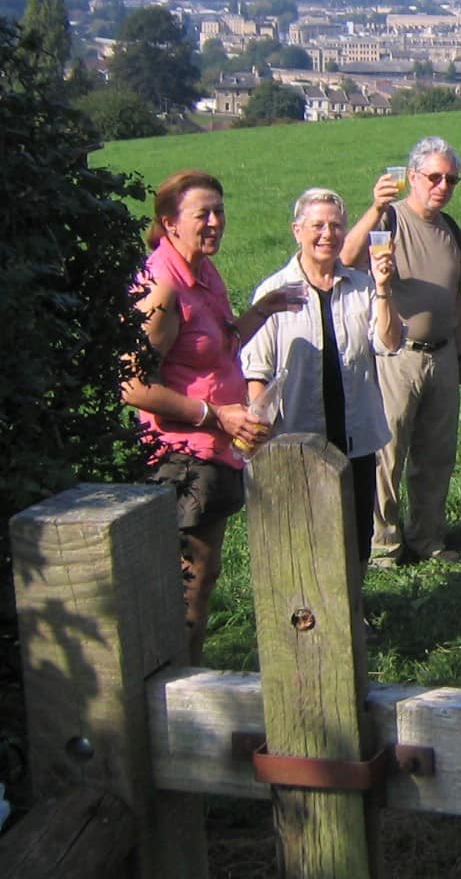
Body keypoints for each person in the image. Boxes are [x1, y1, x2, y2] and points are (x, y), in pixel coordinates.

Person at [120, 170, 300, 661]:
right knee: (189, 582)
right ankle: (176, 684)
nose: (216, 222)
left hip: (212, 452)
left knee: (204, 574)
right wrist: (216, 415)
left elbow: (212, 347)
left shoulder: (202, 272)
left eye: (220, 211)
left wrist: (262, 311)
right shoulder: (164, 288)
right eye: (204, 214)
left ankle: (185, 673)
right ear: (170, 223)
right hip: (181, 457)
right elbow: (133, 386)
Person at [242, 188, 402, 568]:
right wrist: (259, 434)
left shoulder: (362, 288)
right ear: (297, 230)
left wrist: (383, 289)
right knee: (308, 534)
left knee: (357, 537)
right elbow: (256, 369)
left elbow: (389, 342)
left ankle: (355, 615)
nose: (327, 234)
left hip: (356, 435)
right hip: (298, 437)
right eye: (317, 226)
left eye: (335, 226)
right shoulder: (273, 292)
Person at [342, 136, 461, 566]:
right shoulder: (390, 221)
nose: (442, 186)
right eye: (434, 177)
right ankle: (383, 546)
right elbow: (346, 259)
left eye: (451, 180)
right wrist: (375, 208)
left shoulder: (450, 229)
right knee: (389, 453)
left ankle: (428, 539)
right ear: (413, 177)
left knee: (437, 454)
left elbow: (455, 295)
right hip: (396, 357)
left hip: (441, 355)